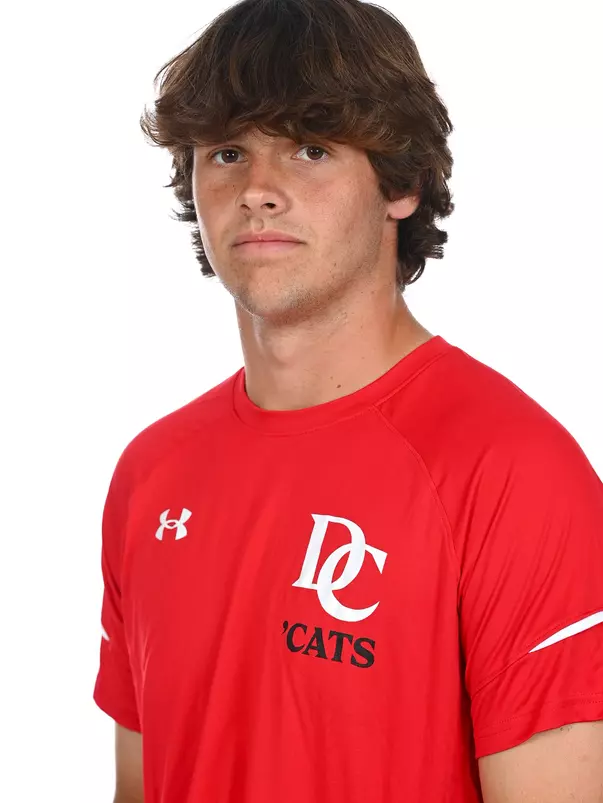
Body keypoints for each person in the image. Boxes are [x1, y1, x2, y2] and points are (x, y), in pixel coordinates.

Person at [93, 0, 603, 801]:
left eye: (309, 148)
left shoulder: (512, 471)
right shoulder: (151, 471)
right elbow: (140, 781)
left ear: (399, 184)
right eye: (226, 152)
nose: (258, 189)